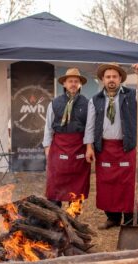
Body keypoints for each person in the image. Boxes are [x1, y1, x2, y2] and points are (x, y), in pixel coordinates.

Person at [84, 62, 138, 229]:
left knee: (128, 184)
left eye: (114, 77)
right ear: (102, 79)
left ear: (120, 79)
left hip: (126, 147)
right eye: (108, 77)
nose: (111, 80)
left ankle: (131, 219)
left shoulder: (132, 95)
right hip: (104, 148)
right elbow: (90, 126)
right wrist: (89, 147)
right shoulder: (95, 100)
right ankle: (113, 218)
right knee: (107, 184)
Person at [42, 68, 91, 207]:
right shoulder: (54, 103)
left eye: (76, 81)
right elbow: (48, 127)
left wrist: (89, 147)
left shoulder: (88, 104)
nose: (73, 84)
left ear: (80, 84)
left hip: (79, 147)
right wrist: (47, 147)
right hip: (59, 147)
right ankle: (54, 215)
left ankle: (72, 215)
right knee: (55, 182)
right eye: (70, 81)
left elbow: (89, 129)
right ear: (64, 84)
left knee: (77, 184)